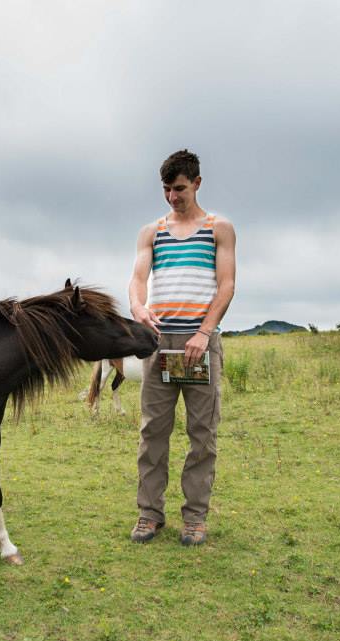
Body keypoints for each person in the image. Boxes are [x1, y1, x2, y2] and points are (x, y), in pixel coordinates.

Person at [128, 149, 236, 546]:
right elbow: (138, 278)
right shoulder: (151, 232)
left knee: (202, 434)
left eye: (179, 188)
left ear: (197, 184)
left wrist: (204, 332)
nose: (173, 197)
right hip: (160, 344)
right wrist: (139, 306)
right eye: (166, 189)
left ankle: (195, 518)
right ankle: (149, 515)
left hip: (198, 344)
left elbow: (226, 286)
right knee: (152, 432)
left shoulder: (219, 228)